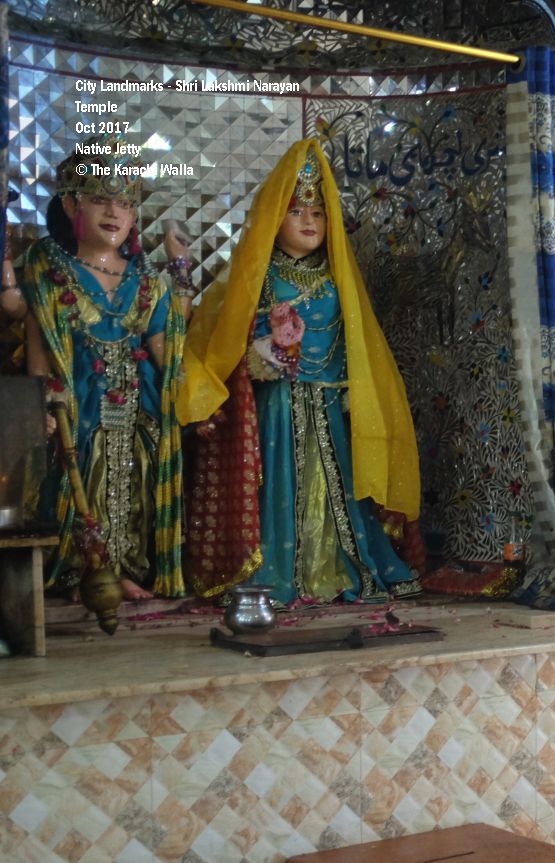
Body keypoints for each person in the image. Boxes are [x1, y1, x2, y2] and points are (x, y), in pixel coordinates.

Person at [179, 140, 421, 605]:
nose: (309, 221)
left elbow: (356, 343)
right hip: (275, 408)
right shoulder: (258, 275)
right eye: (296, 212)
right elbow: (226, 342)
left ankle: (343, 568)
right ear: (274, 218)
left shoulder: (338, 277)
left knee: (340, 491)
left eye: (317, 213)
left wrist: (354, 390)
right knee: (280, 491)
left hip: (329, 407)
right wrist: (260, 355)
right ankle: (276, 572)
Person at [16, 139, 192, 599]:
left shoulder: (146, 280)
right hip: (77, 406)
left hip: (137, 409)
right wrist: (40, 403)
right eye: (99, 199)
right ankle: (84, 572)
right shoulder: (48, 269)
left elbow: (167, 348)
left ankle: (126, 568)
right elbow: (40, 341)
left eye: (125, 203)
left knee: (134, 487)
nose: (113, 212)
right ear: (71, 204)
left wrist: (180, 271)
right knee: (81, 487)